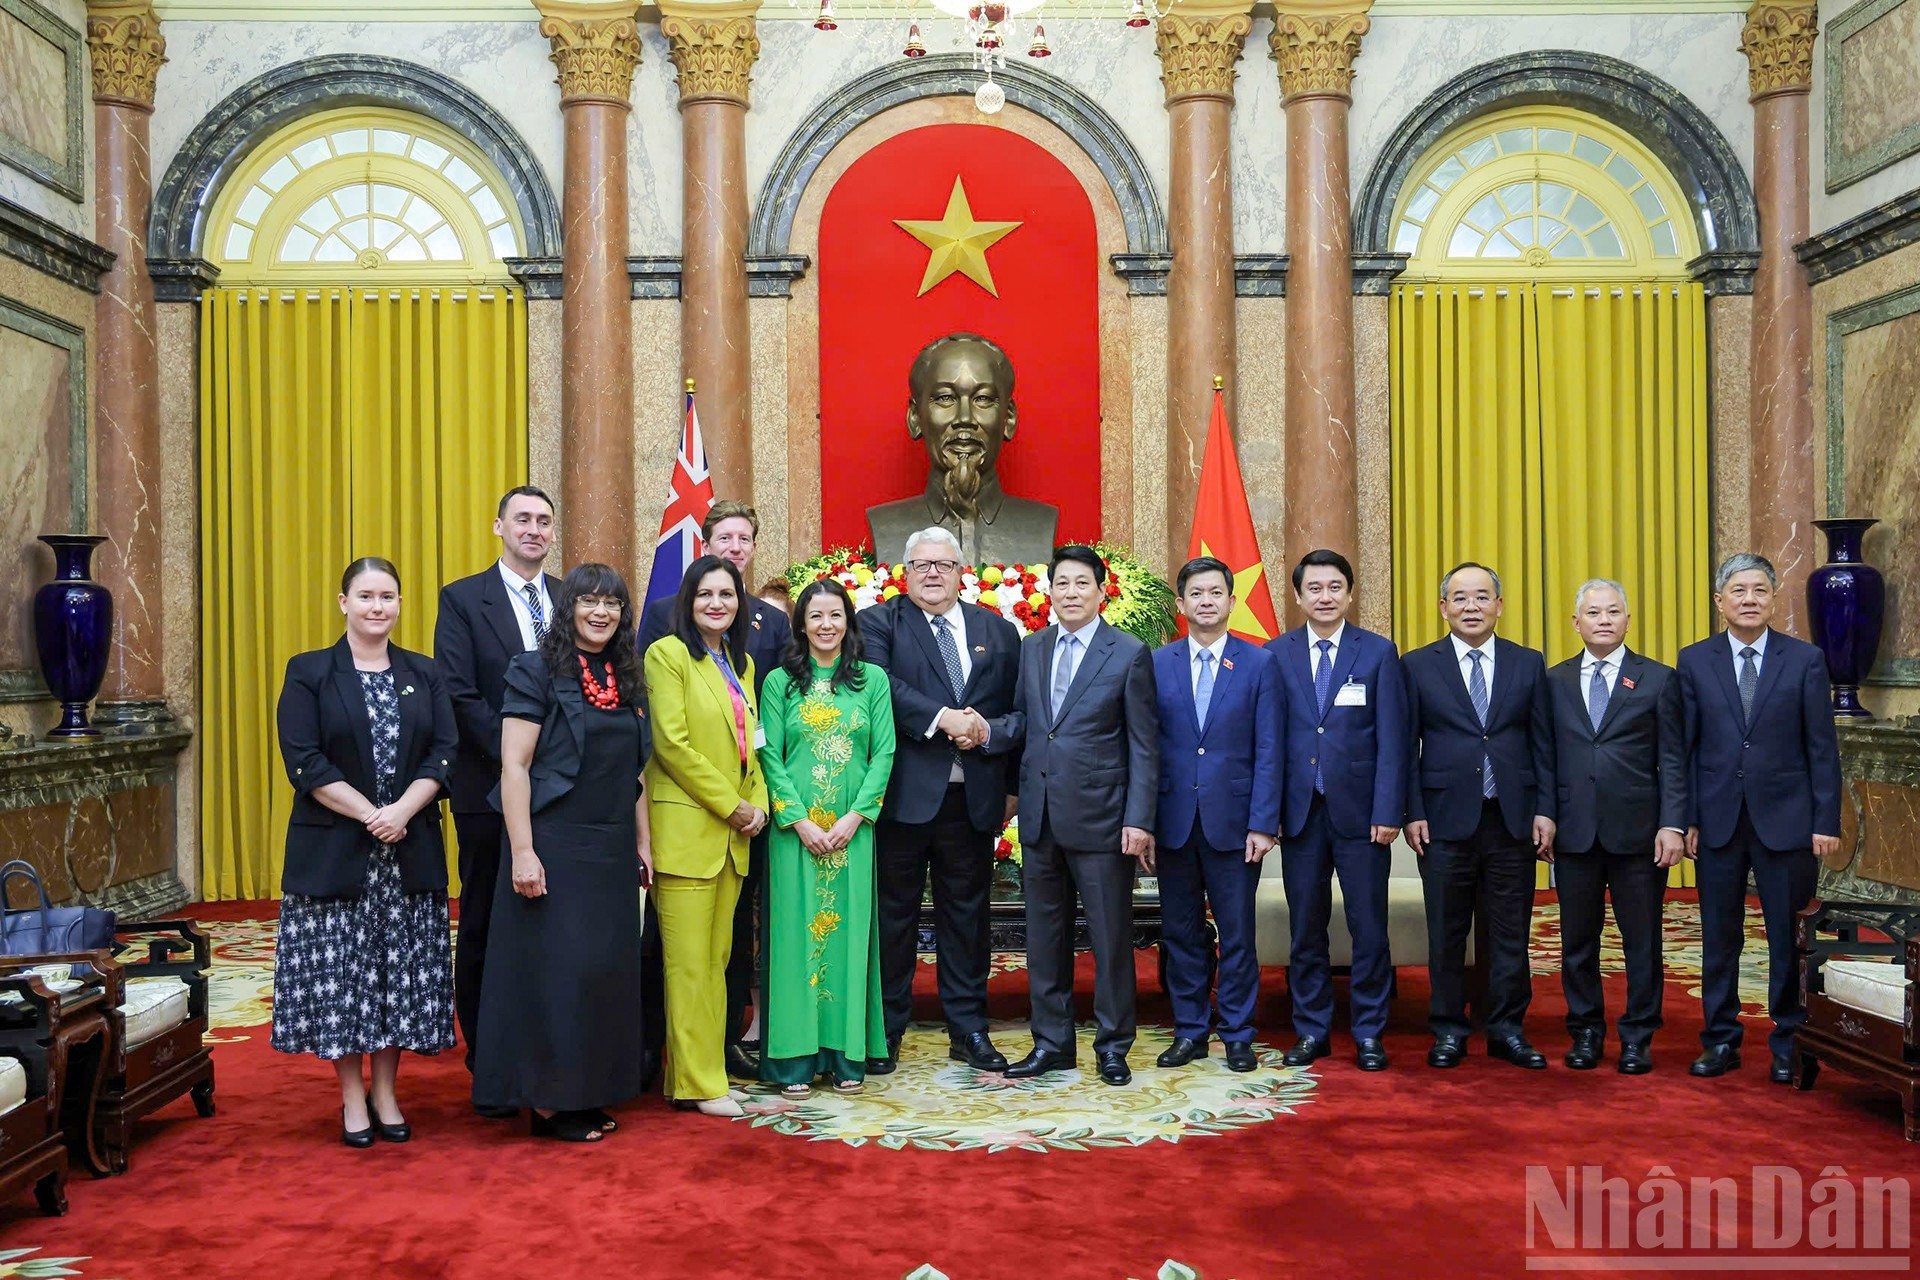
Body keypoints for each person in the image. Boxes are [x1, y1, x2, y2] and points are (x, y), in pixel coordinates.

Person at [273, 557, 457, 1148]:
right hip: (337, 852)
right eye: (366, 596)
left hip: (408, 849)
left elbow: (445, 751)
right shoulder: (309, 672)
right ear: (343, 602)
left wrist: (402, 812)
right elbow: (303, 758)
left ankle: (386, 1090)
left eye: (388, 597)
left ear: (400, 605)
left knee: (397, 979)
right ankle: (352, 1096)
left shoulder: (424, 673)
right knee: (344, 980)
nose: (378, 607)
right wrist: (370, 815)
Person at [472, 564, 651, 1142]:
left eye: (613, 604)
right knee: (555, 975)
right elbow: (515, 766)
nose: (601, 613)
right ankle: (547, 1103)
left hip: (610, 847)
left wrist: (643, 843)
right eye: (590, 601)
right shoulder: (535, 670)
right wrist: (522, 850)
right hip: (553, 842)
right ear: (568, 606)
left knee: (601, 974)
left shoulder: (626, 675)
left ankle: (586, 1091)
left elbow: (636, 773)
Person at [858, 526, 1023, 1074]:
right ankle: (885, 1029)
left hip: (973, 801)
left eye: (944, 565)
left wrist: (1011, 782)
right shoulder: (878, 623)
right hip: (902, 799)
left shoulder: (997, 631)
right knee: (894, 919)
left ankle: (969, 1030)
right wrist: (944, 719)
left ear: (961, 573)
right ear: (905, 573)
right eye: (922, 564)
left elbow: (1021, 712)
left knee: (968, 921)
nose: (933, 573)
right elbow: (880, 686)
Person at [1677, 553, 1842, 1083]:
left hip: (1788, 822)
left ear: (1774, 599)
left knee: (1787, 938)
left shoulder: (1805, 659)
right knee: (1719, 937)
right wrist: (1687, 819)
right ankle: (1720, 1040)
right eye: (1738, 591)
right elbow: (1686, 749)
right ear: (1719, 601)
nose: (1749, 600)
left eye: (1759, 591)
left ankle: (1789, 1041)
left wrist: (1826, 819)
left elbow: (1822, 748)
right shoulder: (1694, 660)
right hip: (1718, 821)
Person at [639, 501, 789, 1080]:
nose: (718, 604)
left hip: (734, 836)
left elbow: (754, 743)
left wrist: (761, 806)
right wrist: (732, 806)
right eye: (706, 595)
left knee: (720, 959)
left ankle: (708, 1068)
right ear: (688, 600)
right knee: (686, 964)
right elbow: (671, 745)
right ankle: (692, 1079)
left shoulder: (741, 664)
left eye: (727, 596)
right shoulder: (666, 653)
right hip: (690, 830)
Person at [1005, 545, 1159, 1086]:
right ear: (1051, 591)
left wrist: (1139, 820)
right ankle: (1052, 1044)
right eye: (1062, 584)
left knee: (1111, 939)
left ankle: (1113, 1045)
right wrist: (979, 730)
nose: (1071, 593)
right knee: (1043, 939)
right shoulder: (1033, 647)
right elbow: (1027, 724)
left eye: (1081, 584)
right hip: (1041, 819)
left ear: (1101, 590)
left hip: (1103, 819)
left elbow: (1143, 744)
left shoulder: (1129, 652)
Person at [432, 486, 560, 1116]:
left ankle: (546, 1046)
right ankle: (487, 1055)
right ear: (498, 527)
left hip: (562, 794)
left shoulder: (567, 599)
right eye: (523, 520)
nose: (533, 530)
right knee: (485, 917)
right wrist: (521, 750)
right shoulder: (462, 600)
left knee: (552, 921)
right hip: (486, 788)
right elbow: (458, 694)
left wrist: (553, 761)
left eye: (543, 521)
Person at [1403, 562, 1556, 1071]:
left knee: (1509, 930)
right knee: (1446, 931)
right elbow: (1405, 747)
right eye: (1460, 598)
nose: (1472, 607)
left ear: (1499, 605)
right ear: (1443, 607)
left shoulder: (1527, 663)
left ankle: (1507, 1029)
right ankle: (1448, 1029)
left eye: (1482, 597)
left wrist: (1546, 810)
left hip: (1512, 818)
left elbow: (1543, 743)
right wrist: (1412, 811)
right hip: (1443, 820)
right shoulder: (1418, 665)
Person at [1268, 549, 1407, 1072]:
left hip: (1363, 815)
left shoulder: (1376, 653)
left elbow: (1393, 740)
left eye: (1334, 588)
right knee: (1306, 928)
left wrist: (1389, 809)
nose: (1324, 597)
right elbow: (1270, 739)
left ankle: (1369, 1031)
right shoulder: (1275, 655)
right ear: (1299, 596)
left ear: (1349, 594)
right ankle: (1312, 1029)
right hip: (1300, 814)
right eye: (1314, 589)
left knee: (1369, 926)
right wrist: (1271, 811)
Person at [757, 579, 896, 1095]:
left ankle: (845, 1058)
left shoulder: (872, 681)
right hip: (796, 834)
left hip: (852, 833)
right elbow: (769, 754)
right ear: (800, 624)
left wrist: (856, 816)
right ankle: (795, 1060)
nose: (826, 626)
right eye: (815, 616)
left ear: (848, 622)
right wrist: (798, 820)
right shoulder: (778, 683)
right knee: (795, 942)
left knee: (847, 940)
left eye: (835, 615)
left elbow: (884, 753)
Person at [1548, 579, 1687, 1075]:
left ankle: (1638, 1036)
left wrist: (1673, 822)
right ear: (1576, 623)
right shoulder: (1555, 680)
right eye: (1593, 612)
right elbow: (1545, 757)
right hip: (1574, 831)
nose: (1603, 620)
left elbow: (1673, 758)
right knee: (1577, 941)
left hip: (1640, 832)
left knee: (1642, 939)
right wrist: (1545, 815)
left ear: (1628, 621)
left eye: (1613, 612)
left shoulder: (1659, 679)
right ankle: (1585, 1032)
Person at [1151, 556, 1282, 1074]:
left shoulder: (1260, 663)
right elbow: (1145, 746)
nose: (1206, 602)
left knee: (1238, 933)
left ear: (1232, 601)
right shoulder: (1156, 662)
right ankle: (1189, 1030)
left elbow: (1270, 747)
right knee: (1181, 932)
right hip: (1173, 820)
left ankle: (1238, 1032)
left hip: (1236, 823)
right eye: (1196, 594)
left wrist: (1263, 822)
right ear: (1181, 605)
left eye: (1216, 593)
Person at [865, 332, 1059, 566]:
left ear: (1008, 419)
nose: (964, 418)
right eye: (945, 398)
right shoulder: (885, 524)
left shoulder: (1041, 523)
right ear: (915, 417)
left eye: (983, 399)